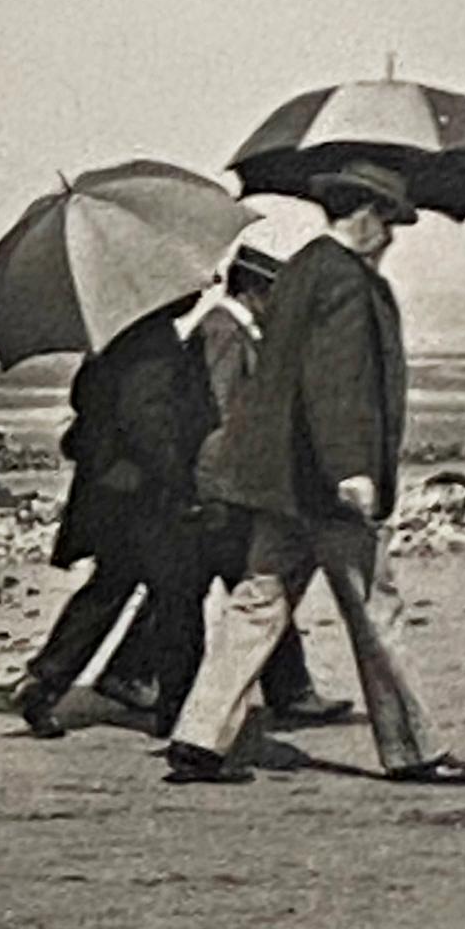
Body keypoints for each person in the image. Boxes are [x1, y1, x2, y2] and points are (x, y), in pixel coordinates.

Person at [162, 163, 465, 787]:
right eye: (388, 222)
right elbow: (334, 383)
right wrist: (352, 471)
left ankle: (198, 739)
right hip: (325, 490)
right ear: (363, 214)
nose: (391, 237)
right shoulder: (344, 280)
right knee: (374, 611)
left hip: (281, 484)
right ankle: (415, 750)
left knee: (256, 604)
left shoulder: (304, 269)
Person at [94, 246, 348, 726]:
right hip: (220, 486)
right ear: (255, 291)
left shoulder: (225, 328)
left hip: (215, 485)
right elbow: (220, 414)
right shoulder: (224, 331)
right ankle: (287, 690)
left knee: (207, 586)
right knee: (251, 584)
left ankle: (132, 671)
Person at [3, 297, 219, 740]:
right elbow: (150, 425)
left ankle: (44, 681)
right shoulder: (154, 343)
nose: (202, 290)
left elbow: (87, 401)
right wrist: (184, 483)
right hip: (147, 496)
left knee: (110, 587)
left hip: (109, 491)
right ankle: (177, 712)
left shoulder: (115, 337)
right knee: (179, 596)